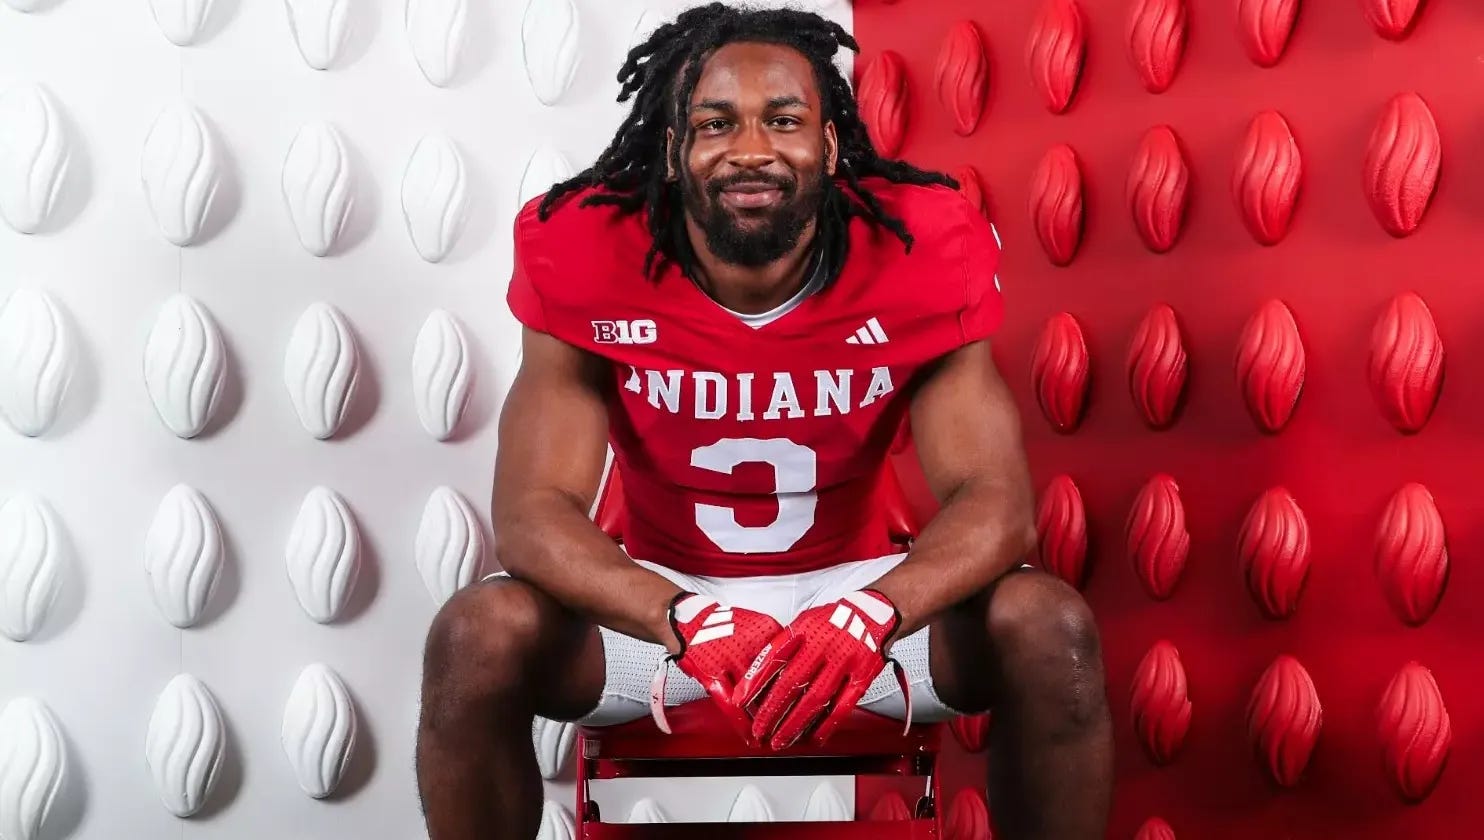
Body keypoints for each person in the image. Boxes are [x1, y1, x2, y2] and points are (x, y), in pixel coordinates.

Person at [415, 4, 1113, 838]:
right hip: (662, 603)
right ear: (671, 150)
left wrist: (873, 611)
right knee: (475, 637)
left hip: (858, 596)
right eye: (716, 123)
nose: (750, 149)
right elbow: (532, 517)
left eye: (783, 120)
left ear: (829, 144)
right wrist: (680, 613)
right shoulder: (589, 246)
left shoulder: (918, 245)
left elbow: (995, 501)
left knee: (1049, 627)